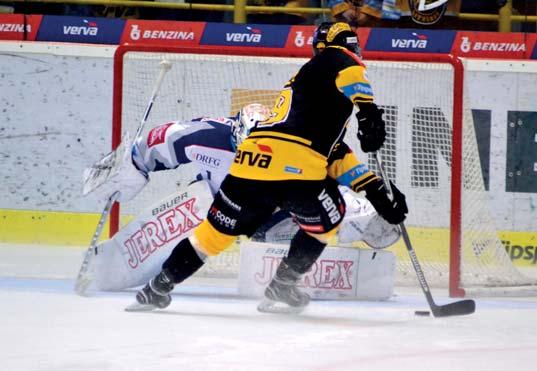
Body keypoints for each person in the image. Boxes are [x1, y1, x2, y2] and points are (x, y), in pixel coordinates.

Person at [126, 22, 408, 313]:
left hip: (248, 167)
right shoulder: (337, 59)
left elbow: (335, 154)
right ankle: (283, 283)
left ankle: (156, 288)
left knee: (211, 236)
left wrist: (374, 188)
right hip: (294, 172)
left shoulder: (306, 94)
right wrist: (368, 111)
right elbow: (348, 68)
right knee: (330, 218)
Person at [83, 101, 400, 293]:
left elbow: (333, 169)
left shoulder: (295, 143)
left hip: (276, 219)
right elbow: (151, 145)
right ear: (236, 133)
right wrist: (128, 167)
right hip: (218, 207)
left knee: (335, 210)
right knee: (205, 213)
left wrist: (374, 205)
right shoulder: (204, 136)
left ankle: (350, 231)